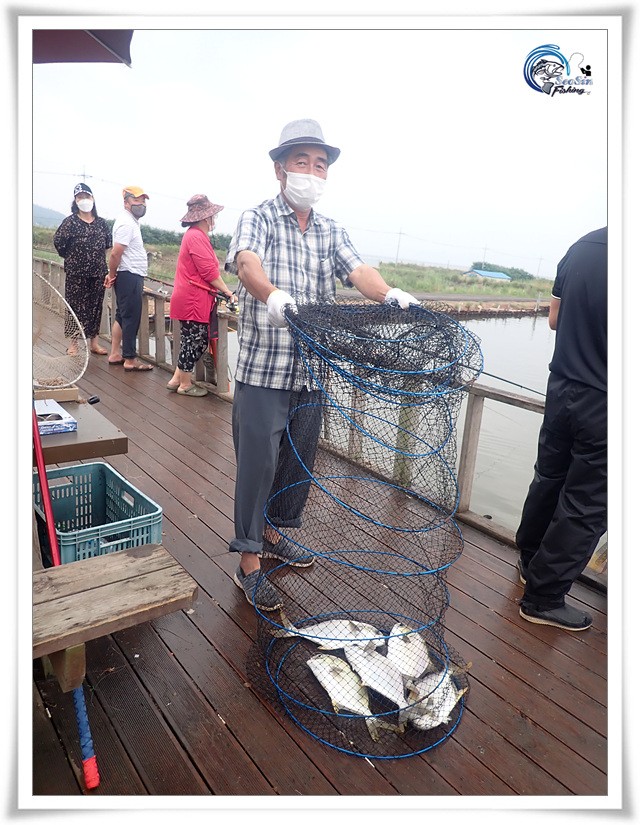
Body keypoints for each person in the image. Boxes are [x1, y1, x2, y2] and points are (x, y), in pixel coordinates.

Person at [224, 118, 419, 610]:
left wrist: (389, 293)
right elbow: (247, 264)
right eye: (301, 162)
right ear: (280, 169)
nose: (311, 172)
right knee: (258, 465)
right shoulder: (258, 217)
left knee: (297, 464)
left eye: (320, 165)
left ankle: (274, 535)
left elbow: (359, 271)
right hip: (265, 369)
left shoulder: (331, 230)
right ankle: (248, 562)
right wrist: (272, 296)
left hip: (312, 373)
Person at [515, 227, 607, 631]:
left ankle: (529, 561)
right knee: (587, 505)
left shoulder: (583, 246)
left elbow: (554, 318)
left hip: (563, 387)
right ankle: (544, 598)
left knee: (549, 478)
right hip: (608, 400)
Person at [167, 194, 236, 396]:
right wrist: (227, 291)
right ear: (206, 217)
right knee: (196, 341)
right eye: (213, 215)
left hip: (191, 296)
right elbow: (209, 272)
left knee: (192, 340)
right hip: (193, 299)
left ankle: (176, 379)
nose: (214, 219)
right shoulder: (196, 236)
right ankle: (185, 385)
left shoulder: (194, 235)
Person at [53, 183, 112, 356]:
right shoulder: (69, 222)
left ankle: (94, 343)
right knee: (75, 308)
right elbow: (59, 243)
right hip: (76, 273)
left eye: (87, 196)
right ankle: (73, 344)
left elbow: (108, 246)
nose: (84, 200)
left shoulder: (102, 224)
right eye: (80, 197)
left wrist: (107, 269)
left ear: (92, 198)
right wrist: (73, 258)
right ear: (75, 201)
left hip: (98, 272)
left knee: (95, 307)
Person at [105, 186, 153, 371]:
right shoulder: (126, 223)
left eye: (143, 201)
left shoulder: (131, 222)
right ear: (126, 203)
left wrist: (113, 274)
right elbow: (115, 253)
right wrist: (111, 274)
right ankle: (130, 360)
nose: (141, 204)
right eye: (136, 200)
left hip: (128, 274)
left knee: (122, 315)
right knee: (131, 318)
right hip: (129, 275)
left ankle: (115, 353)